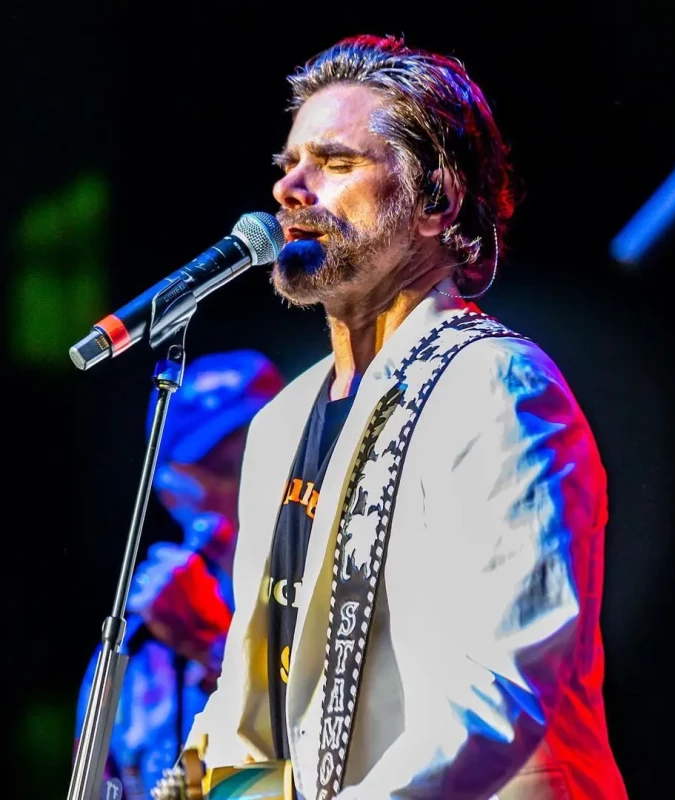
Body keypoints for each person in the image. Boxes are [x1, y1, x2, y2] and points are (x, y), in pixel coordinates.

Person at [186, 35, 628, 799]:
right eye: (288, 165)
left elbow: (502, 685)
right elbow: (256, 701)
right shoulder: (280, 423)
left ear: (436, 201)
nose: (292, 188)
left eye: (336, 161)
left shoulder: (495, 385)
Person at [74, 349, 284, 798]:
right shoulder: (131, 655)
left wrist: (215, 648)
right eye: (223, 469)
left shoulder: (339, 590)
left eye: (267, 455)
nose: (254, 482)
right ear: (169, 489)